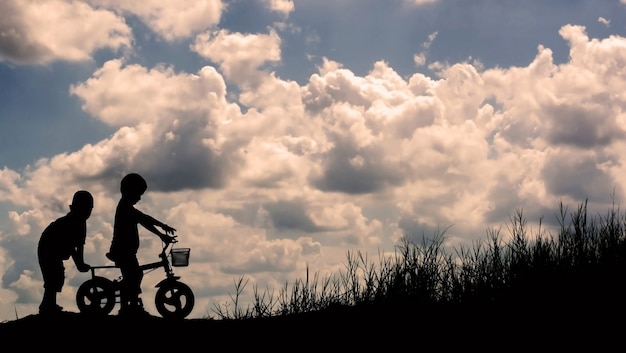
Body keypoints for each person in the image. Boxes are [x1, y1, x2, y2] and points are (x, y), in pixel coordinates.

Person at [106, 173, 176, 316]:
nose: (139, 198)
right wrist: (162, 229)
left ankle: (131, 305)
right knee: (133, 276)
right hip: (122, 251)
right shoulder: (125, 207)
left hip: (127, 251)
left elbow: (144, 221)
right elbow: (144, 219)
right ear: (128, 191)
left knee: (134, 275)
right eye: (138, 194)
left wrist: (162, 232)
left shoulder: (126, 207)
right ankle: (127, 308)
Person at [37, 190, 93, 315]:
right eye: (86, 208)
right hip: (48, 248)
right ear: (78, 207)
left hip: (52, 249)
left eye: (90, 209)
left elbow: (80, 245)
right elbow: (73, 247)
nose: (88, 212)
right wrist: (79, 263)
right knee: (54, 276)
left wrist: (81, 262)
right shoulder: (73, 221)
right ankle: (47, 305)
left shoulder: (81, 222)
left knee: (56, 275)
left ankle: (49, 304)